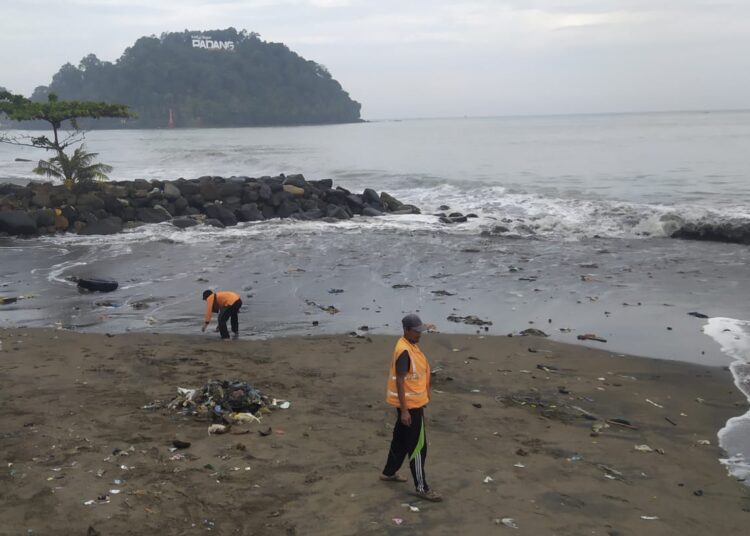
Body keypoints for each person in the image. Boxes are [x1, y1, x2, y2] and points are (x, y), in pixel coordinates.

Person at [380, 313, 442, 502]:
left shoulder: (408, 344)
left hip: (411, 404)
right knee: (418, 447)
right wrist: (405, 411)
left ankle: (389, 472)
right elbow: (399, 380)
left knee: (399, 439)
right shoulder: (404, 352)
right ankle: (422, 487)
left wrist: (427, 326)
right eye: (416, 332)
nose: (419, 335)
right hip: (411, 407)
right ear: (406, 330)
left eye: (420, 331)